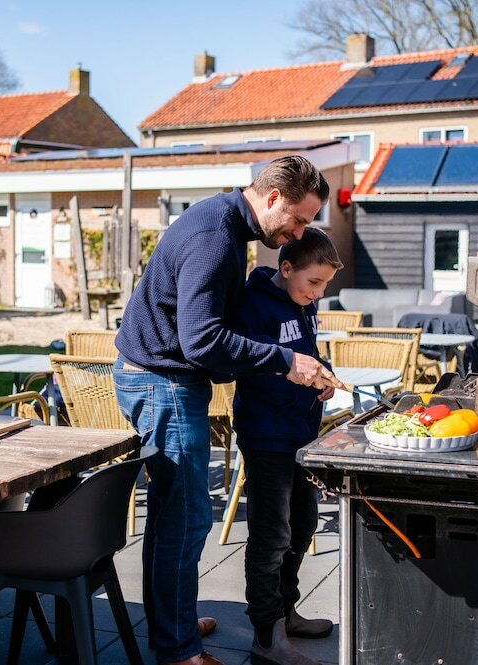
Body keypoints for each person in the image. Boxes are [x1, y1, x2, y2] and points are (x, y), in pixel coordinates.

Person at [112, 155, 346, 665]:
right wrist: (284, 361)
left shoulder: (225, 225)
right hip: (162, 382)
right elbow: (202, 341)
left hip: (160, 377)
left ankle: (171, 622)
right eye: (299, 219)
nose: (299, 232)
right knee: (187, 519)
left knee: (174, 519)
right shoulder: (216, 240)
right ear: (271, 198)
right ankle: (178, 651)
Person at [232, 228, 342, 665]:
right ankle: (267, 634)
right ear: (286, 268)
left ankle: (286, 609)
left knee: (303, 523)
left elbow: (307, 352)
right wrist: (288, 377)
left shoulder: (305, 304)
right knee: (270, 533)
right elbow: (245, 362)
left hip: (301, 432)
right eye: (313, 282)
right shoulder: (254, 303)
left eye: (325, 286)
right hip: (266, 434)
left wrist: (323, 377)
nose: (317, 293)